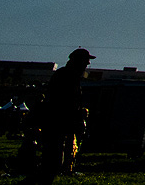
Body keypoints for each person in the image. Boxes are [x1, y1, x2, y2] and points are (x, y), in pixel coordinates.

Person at [32, 48, 92, 185]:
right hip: (56, 123)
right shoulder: (66, 76)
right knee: (53, 161)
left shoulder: (69, 75)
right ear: (78, 61)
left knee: (54, 160)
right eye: (85, 60)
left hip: (59, 123)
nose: (87, 63)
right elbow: (63, 103)